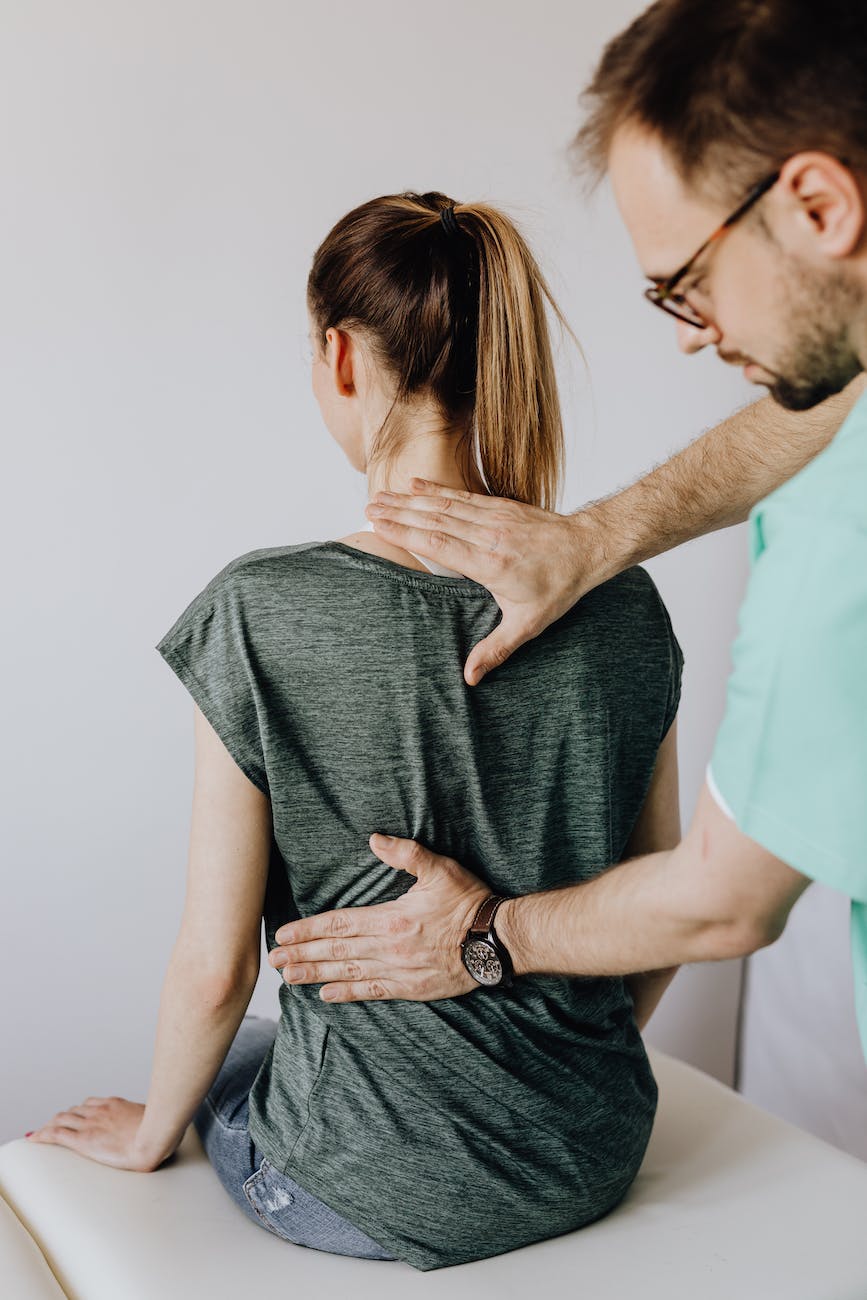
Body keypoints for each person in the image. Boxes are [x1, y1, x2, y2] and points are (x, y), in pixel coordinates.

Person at [24, 191, 687, 1270]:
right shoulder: (625, 603)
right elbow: (660, 909)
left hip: (363, 1194)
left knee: (236, 1050)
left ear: (339, 357)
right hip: (593, 1149)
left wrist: (150, 1137)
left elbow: (213, 966)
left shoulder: (260, 611)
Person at [266, 0, 867, 1080]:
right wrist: (599, 540)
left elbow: (720, 906)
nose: (695, 339)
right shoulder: (632, 608)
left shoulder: (838, 526)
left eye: (686, 284)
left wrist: (483, 932)